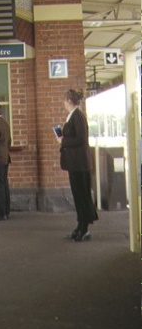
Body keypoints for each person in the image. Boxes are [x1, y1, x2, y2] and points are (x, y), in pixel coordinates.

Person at [56, 89, 98, 242]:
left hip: (79, 163)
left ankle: (84, 228)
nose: (63, 103)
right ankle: (80, 226)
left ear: (69, 100)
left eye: (64, 100)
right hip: (76, 163)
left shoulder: (77, 116)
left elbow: (81, 139)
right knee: (78, 195)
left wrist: (63, 141)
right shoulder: (74, 116)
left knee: (82, 195)